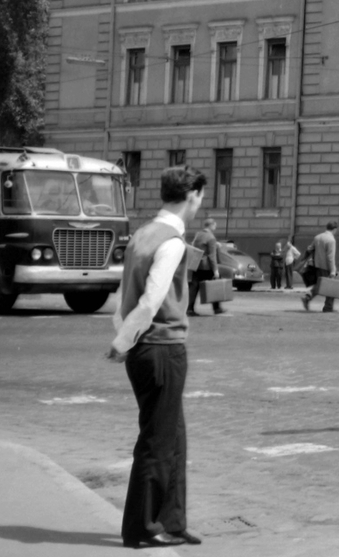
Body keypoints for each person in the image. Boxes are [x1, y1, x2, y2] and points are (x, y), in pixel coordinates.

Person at [105, 165, 207, 549]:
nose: (200, 203)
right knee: (158, 441)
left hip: (147, 350)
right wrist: (124, 339)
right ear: (193, 195)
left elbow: (122, 297)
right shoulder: (172, 242)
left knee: (173, 438)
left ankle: (172, 520)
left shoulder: (142, 235)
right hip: (163, 348)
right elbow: (150, 300)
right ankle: (142, 528)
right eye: (201, 197)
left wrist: (124, 336)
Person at [186, 217, 225, 316]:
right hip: (206, 266)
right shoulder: (211, 237)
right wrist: (215, 270)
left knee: (194, 287)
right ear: (211, 225)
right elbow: (212, 256)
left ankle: (189, 309)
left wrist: (215, 244)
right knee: (215, 285)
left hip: (196, 263)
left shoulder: (198, 235)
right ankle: (217, 308)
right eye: (215, 225)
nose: (215, 226)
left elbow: (197, 245)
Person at [300, 221, 339, 313]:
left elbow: (309, 248)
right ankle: (328, 307)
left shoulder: (317, 237)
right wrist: (333, 270)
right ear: (335, 229)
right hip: (326, 267)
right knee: (331, 286)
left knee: (320, 285)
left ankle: (307, 297)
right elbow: (330, 257)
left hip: (316, 266)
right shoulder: (331, 240)